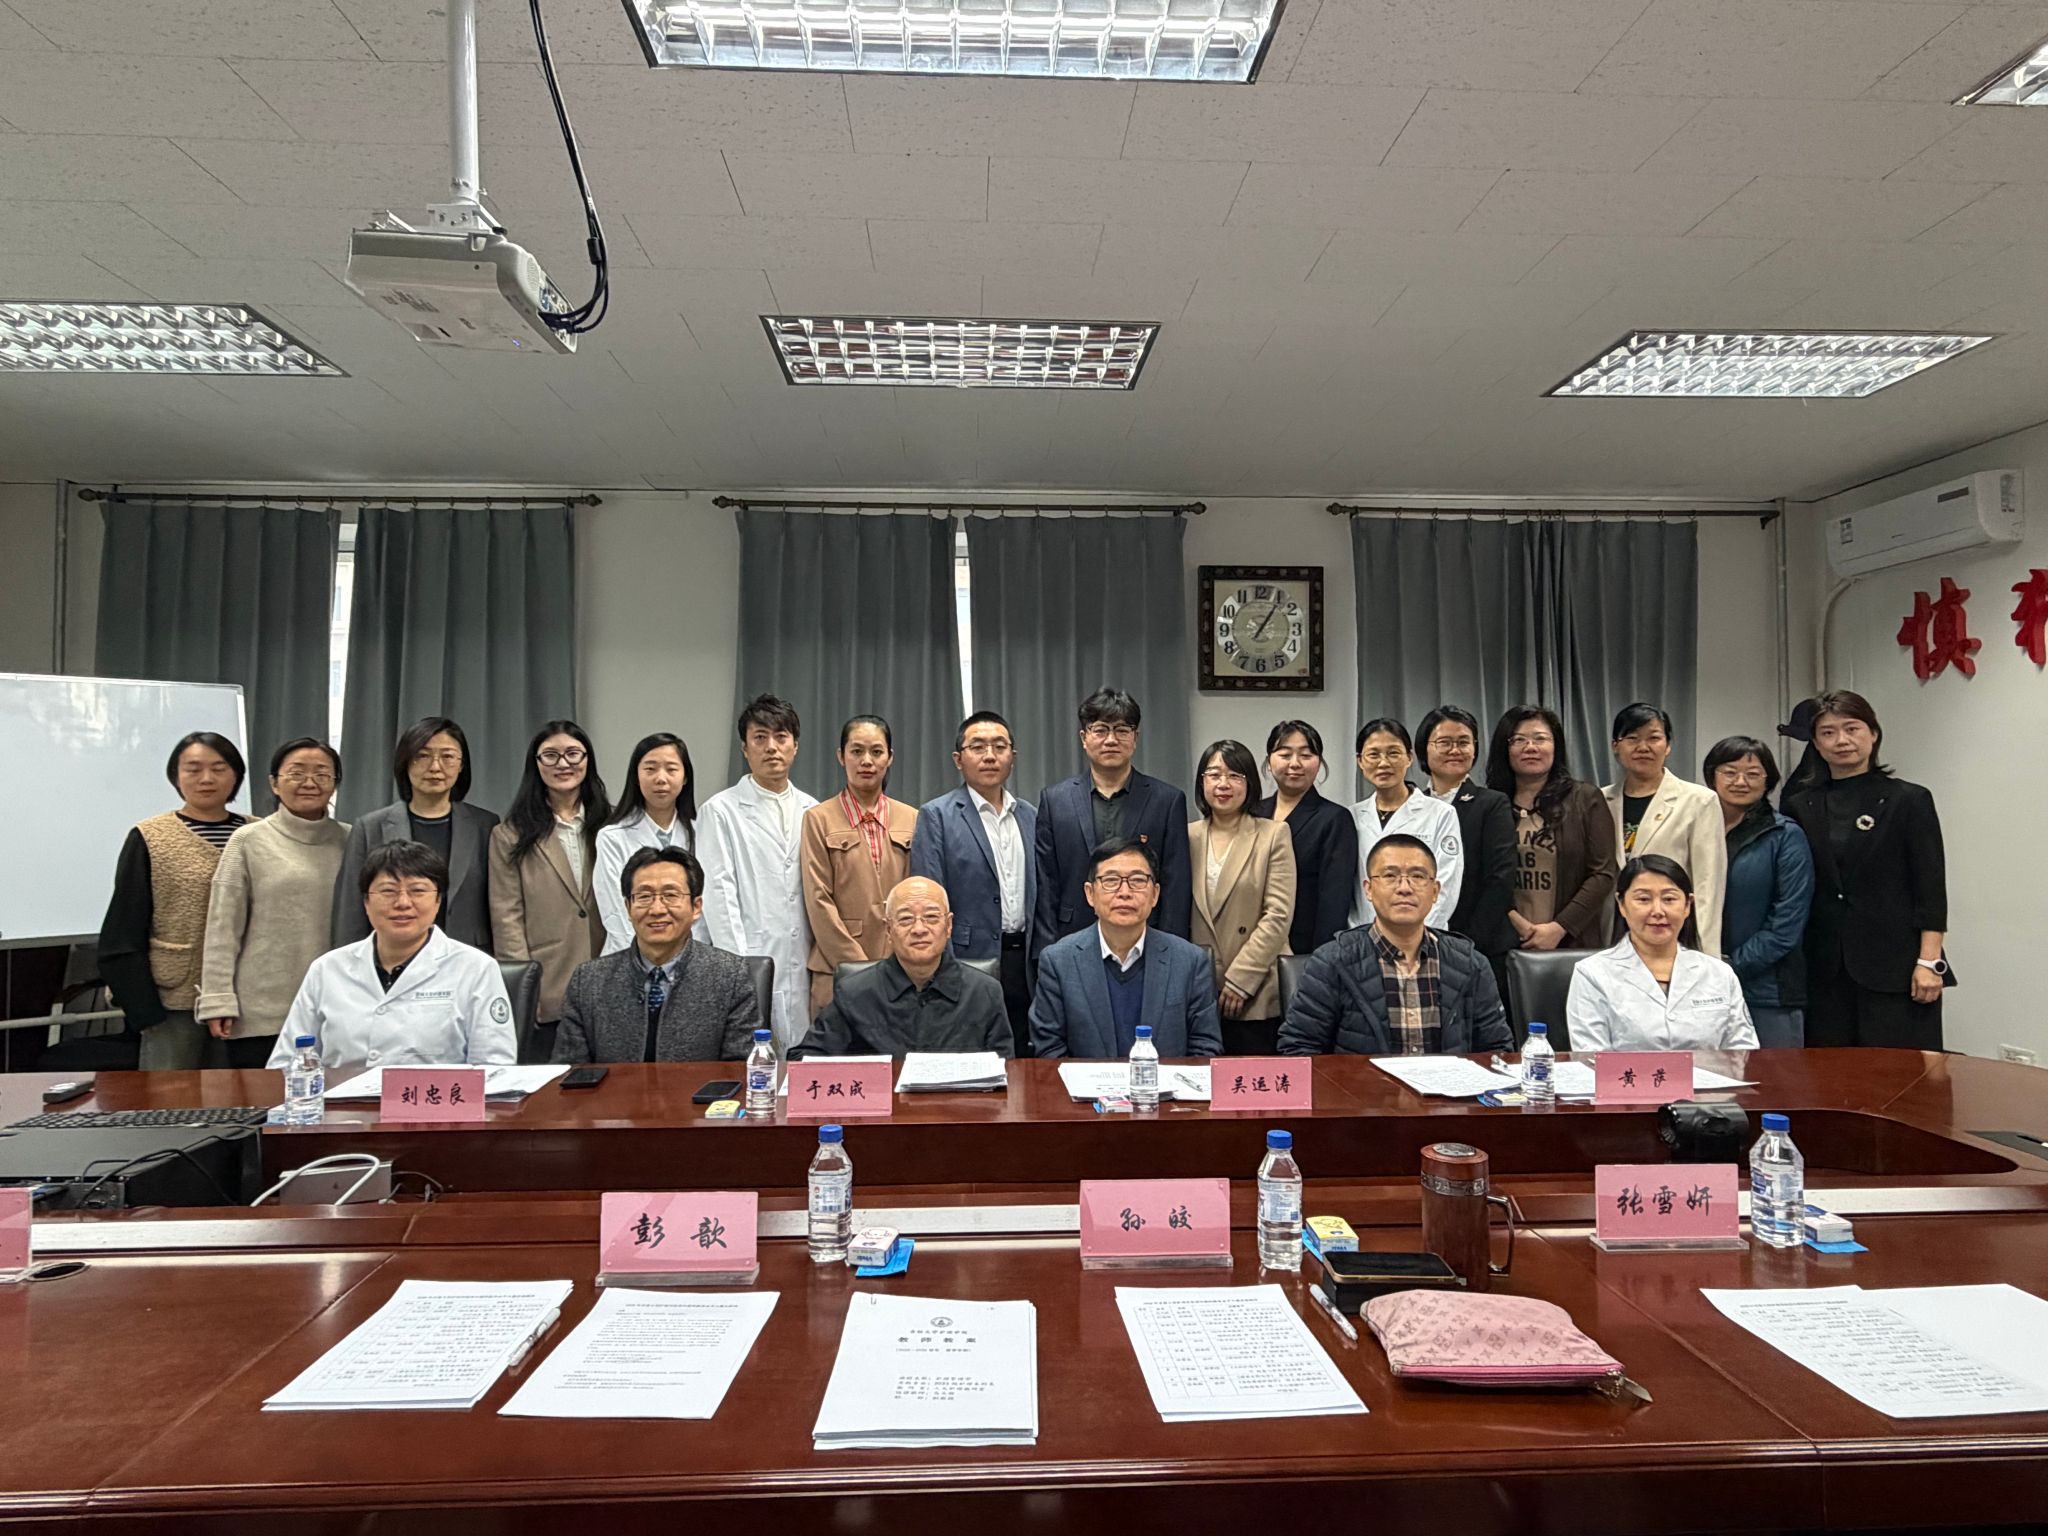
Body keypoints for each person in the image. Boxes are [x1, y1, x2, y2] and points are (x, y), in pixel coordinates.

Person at [1780, 689, 1951, 1050]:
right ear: (1816, 743)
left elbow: (1930, 887)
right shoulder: (1799, 805)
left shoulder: (1909, 799)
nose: (1841, 740)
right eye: (1828, 732)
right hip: (1824, 966)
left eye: (1852, 729)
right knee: (1830, 1073)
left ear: (1873, 734)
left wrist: (1929, 960)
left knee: (1900, 1075)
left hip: (1896, 966)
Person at [273, 840, 515, 1077]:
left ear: (438, 900)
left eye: (418, 891)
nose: (403, 903)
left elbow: (494, 1068)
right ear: (366, 901)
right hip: (340, 1102)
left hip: (435, 1103)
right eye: (388, 891)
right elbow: (287, 1063)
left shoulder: (476, 968)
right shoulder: (327, 969)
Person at [1279, 834, 1511, 1057]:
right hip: (1363, 1086)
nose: (1404, 887)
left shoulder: (1470, 963)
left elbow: (1497, 1051)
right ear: (1368, 889)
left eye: (1418, 876)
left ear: (1435, 892)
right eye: (1390, 876)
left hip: (1449, 1086)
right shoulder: (1332, 961)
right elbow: (1298, 1049)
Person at [99, 731, 252, 1068]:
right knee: (170, 1093)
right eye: (193, 769)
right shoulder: (150, 836)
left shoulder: (258, 833)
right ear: (175, 776)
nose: (206, 778)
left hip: (246, 996)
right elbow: (124, 924)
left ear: (236, 775)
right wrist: (144, 1010)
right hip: (174, 1000)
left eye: (219, 768)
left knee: (240, 1092)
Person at [193, 739, 350, 1068]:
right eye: (296, 773)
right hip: (263, 1011)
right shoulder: (248, 840)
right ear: (274, 783)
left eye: (322, 774)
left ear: (335, 784)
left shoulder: (352, 840)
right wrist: (217, 999)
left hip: (337, 1006)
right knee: (262, 1098)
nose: (309, 782)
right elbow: (223, 926)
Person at [552, 847, 761, 1064]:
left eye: (670, 895)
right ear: (628, 907)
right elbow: (568, 1071)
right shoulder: (588, 980)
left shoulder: (730, 976)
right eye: (644, 896)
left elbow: (741, 1070)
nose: (657, 909)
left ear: (696, 907)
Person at [909, 709, 1038, 1044]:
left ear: (1013, 757)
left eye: (999, 746)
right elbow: (929, 898)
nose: (990, 756)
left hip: (1025, 960)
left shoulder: (1030, 816)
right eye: (978, 747)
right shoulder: (937, 815)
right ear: (958, 759)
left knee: (1024, 1054)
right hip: (967, 960)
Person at [696, 694, 818, 1049]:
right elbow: (719, 894)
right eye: (760, 737)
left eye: (781, 737)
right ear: (745, 748)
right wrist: (741, 969)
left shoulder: (813, 809)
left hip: (803, 962)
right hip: (750, 955)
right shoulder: (720, 811)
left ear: (795, 746)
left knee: (803, 1057)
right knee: (755, 1059)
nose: (771, 747)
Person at [1029, 837, 1220, 1059]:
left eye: (1137, 880)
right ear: (1090, 894)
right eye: (1111, 881)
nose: (1125, 892)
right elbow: (1049, 1049)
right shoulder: (1058, 962)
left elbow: (1205, 1049)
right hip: (1083, 1083)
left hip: (1166, 1082)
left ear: (1155, 894)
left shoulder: (1190, 962)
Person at [1032, 688, 1192, 953]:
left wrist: (1171, 951)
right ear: (1084, 738)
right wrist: (1047, 952)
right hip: (1071, 939)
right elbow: (1046, 884)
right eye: (1100, 730)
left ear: (1135, 738)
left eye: (1121, 730)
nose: (1111, 739)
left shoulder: (1167, 801)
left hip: (1146, 941)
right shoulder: (1055, 800)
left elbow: (1176, 886)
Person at [489, 721, 612, 1058]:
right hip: (549, 983)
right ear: (536, 763)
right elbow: (507, 917)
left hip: (611, 975)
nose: (563, 764)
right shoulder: (510, 835)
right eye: (551, 755)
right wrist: (523, 988)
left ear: (587, 760)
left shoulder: (613, 825)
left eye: (573, 754)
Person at [792, 877, 1013, 1058]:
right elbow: (805, 1059)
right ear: (889, 930)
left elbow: (1005, 1070)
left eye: (931, 917)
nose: (919, 929)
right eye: (906, 919)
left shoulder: (985, 992)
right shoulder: (854, 993)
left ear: (949, 926)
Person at [332, 716, 497, 952]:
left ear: (461, 766)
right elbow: (351, 909)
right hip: (391, 954)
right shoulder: (370, 827)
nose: (435, 767)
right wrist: (350, 962)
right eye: (423, 756)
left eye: (448, 757)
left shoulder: (485, 826)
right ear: (405, 762)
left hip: (467, 955)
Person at [1567, 855, 1759, 1053]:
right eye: (1643, 899)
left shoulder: (1720, 974)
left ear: (1688, 905)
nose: (1658, 911)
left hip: (1710, 1075)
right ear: (1621, 905)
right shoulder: (1592, 973)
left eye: (1669, 899)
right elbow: (1592, 1058)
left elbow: (1744, 1053)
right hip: (1628, 1075)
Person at [801, 715, 918, 1015]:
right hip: (835, 969)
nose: (867, 761)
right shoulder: (818, 819)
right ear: (841, 756)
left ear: (890, 757)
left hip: (899, 968)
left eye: (876, 752)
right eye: (856, 751)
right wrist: (857, 967)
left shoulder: (912, 818)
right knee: (836, 1046)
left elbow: (915, 895)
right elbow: (818, 899)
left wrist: (894, 959)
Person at [1705, 735, 1814, 1049]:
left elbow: (1786, 925)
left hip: (1769, 991)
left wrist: (1730, 967)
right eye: (1730, 772)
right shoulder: (1696, 830)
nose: (1740, 781)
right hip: (1701, 988)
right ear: (1712, 776)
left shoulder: (1786, 835)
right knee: (1707, 1077)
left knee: (1775, 1078)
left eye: (1753, 774)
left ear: (1768, 781)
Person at [1189, 739, 1296, 1054]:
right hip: (1200, 985)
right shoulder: (1186, 835)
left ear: (1250, 783)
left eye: (1235, 775)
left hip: (1255, 986)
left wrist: (1241, 979)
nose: (1223, 784)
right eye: (1213, 775)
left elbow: (1278, 915)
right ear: (1202, 782)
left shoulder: (1273, 834)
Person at [1484, 705, 1616, 957]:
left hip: (1572, 944)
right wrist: (1516, 922)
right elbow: (1482, 877)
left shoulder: (1585, 799)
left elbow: (1603, 873)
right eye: (1519, 740)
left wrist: (1560, 927)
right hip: (1504, 942)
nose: (1530, 747)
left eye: (1540, 739)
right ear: (1505, 748)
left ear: (1556, 746)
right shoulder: (1490, 804)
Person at [1602, 702, 1725, 955]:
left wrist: (1707, 956)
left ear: (1667, 746)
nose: (1643, 747)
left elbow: (1708, 885)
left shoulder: (1699, 801)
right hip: (1614, 932)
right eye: (1632, 738)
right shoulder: (1600, 800)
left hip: (1672, 931)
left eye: (1654, 738)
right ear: (1615, 746)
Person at [1417, 704, 1518, 974]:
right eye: (1444, 742)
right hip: (1416, 943)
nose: (1455, 750)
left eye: (1463, 742)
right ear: (1423, 749)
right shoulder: (1412, 805)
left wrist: (1465, 944)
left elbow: (1500, 879)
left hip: (1479, 947)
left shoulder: (1492, 803)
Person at [1251, 720, 1357, 958]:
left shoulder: (1334, 819)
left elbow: (1334, 901)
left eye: (1306, 755)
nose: (1295, 763)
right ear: (1269, 761)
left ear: (1319, 763)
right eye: (1285, 754)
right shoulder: (1253, 813)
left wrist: (1320, 960)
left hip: (1303, 949)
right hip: (1250, 944)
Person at [1350, 718, 1462, 930]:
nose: (1384, 763)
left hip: (1423, 936)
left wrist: (1417, 935)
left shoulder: (1441, 814)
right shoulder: (1351, 816)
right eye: (1373, 754)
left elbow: (1446, 885)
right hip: (1364, 935)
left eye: (1393, 753)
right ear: (1360, 761)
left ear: (1409, 758)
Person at [594, 732, 696, 955]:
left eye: (671, 769)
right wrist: (646, 957)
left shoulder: (701, 832)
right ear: (636, 777)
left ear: (685, 777)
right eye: (650, 769)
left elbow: (703, 905)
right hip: (627, 956)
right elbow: (614, 910)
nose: (661, 779)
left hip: (690, 956)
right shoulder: (612, 837)